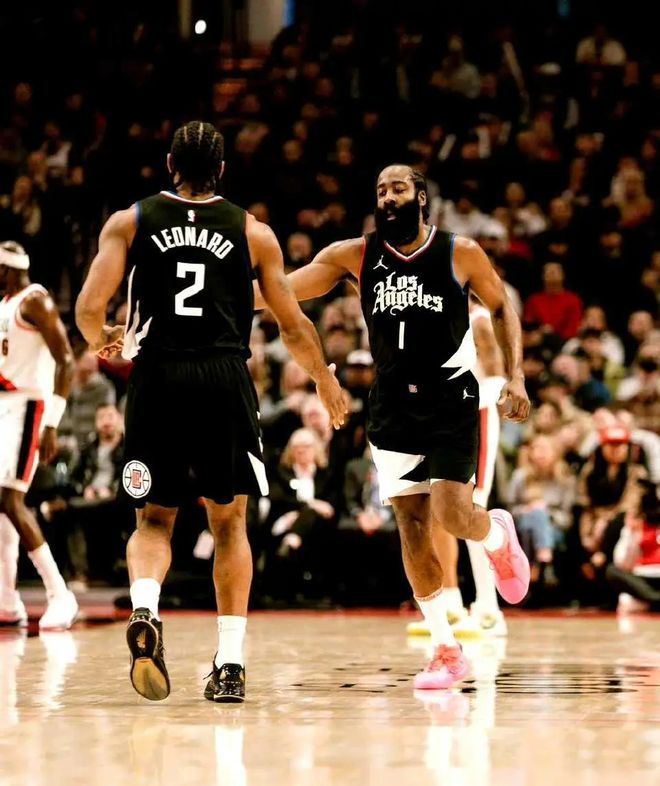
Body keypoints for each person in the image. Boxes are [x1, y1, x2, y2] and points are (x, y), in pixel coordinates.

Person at [75, 120, 346, 703]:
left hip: (157, 378)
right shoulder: (253, 232)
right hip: (224, 378)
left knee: (153, 520)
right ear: (222, 169)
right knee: (229, 523)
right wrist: (324, 379)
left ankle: (145, 608)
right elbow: (293, 323)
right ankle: (230, 664)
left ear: (170, 165)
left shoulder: (130, 220)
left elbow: (88, 309)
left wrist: (105, 339)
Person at [255, 164, 531, 689]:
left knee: (452, 514)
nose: (388, 197)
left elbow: (501, 307)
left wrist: (515, 375)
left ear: (421, 198)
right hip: (392, 404)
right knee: (412, 524)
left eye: (399, 188)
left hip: (451, 397)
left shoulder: (459, 252)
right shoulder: (355, 255)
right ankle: (445, 649)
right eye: (381, 190)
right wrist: (219, 293)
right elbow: (281, 290)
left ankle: (496, 534)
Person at [407, 294, 508, 638]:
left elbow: (495, 374)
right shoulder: (430, 317)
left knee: (470, 507)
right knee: (437, 508)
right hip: (439, 419)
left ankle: (489, 609)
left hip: (475, 415)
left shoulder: (477, 319)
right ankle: (451, 603)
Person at [0, 240, 79, 629]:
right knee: (2, 504)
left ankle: (59, 594)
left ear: (6, 269)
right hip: (6, 405)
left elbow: (66, 361)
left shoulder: (36, 301)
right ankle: (6, 599)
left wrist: (52, 422)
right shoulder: (6, 304)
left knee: (11, 500)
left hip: (30, 407)